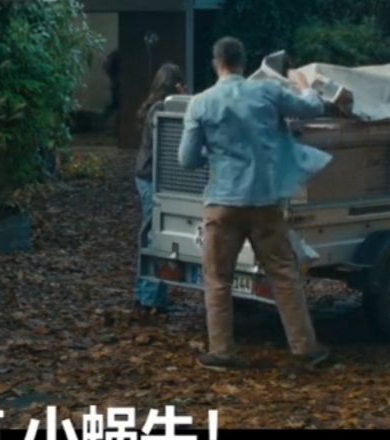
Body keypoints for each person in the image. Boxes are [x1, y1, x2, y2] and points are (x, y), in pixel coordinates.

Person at [177, 37, 332, 371]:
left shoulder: (201, 103)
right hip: (266, 201)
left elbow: (186, 159)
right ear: (243, 62)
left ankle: (222, 352)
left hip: (223, 202)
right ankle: (305, 349)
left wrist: (214, 153)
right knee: (284, 274)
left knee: (218, 279)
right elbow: (313, 108)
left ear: (216, 63)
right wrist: (305, 85)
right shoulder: (267, 92)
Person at [133, 62, 185, 312]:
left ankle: (149, 295)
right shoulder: (161, 109)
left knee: (153, 233)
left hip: (147, 175)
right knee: (155, 236)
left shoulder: (154, 106)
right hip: (150, 176)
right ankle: (149, 298)